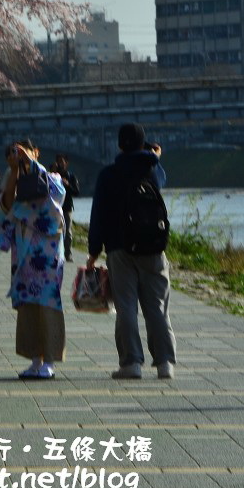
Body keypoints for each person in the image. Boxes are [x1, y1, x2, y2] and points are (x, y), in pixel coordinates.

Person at [86, 123, 176, 380]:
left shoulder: (108, 175)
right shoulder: (152, 170)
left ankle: (131, 363)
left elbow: (98, 215)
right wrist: (155, 158)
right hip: (153, 247)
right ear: (142, 144)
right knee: (157, 307)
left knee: (126, 306)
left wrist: (94, 251)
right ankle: (165, 363)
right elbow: (162, 180)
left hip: (119, 248)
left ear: (119, 145)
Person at [0, 140, 66, 379]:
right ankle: (35, 359)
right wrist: (15, 171)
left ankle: (50, 360)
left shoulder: (51, 177)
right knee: (27, 306)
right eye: (15, 153)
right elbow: (4, 210)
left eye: (25, 151)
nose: (21, 156)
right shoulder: (11, 181)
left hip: (46, 252)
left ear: (37, 152)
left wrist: (32, 164)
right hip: (23, 252)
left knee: (47, 303)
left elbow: (57, 197)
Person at [55, 154, 80, 262]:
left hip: (67, 207)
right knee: (56, 231)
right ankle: (56, 254)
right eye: (59, 161)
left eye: (62, 161)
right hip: (55, 208)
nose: (61, 163)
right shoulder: (53, 176)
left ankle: (68, 254)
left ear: (66, 163)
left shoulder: (71, 177)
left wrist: (68, 184)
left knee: (68, 232)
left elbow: (76, 192)